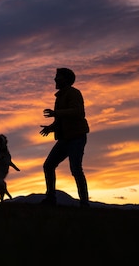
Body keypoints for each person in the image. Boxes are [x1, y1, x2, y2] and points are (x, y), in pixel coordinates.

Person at [39, 68, 90, 207]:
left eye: (58, 77)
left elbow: (78, 112)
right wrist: (50, 128)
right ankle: (51, 198)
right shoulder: (60, 97)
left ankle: (84, 203)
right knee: (49, 165)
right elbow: (61, 120)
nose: (55, 79)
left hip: (76, 137)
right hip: (65, 139)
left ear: (66, 79)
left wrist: (56, 113)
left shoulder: (74, 93)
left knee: (75, 169)